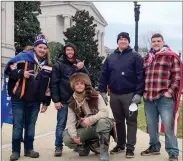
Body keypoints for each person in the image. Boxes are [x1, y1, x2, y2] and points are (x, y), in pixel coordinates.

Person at [4, 34, 52, 161]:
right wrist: (21, 73)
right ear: (35, 47)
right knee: (18, 125)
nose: (42, 50)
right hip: (19, 99)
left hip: (35, 101)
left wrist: (46, 102)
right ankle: (15, 151)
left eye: (44, 48)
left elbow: (48, 86)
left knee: (31, 126)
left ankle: (29, 149)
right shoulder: (22, 57)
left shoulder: (47, 65)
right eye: (40, 47)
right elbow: (9, 69)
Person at [98, 32, 144, 158]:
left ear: (128, 42)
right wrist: (102, 90)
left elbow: (141, 76)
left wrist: (138, 93)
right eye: (120, 39)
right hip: (114, 95)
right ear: (117, 41)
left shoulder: (136, 56)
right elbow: (104, 75)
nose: (123, 41)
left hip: (130, 95)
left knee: (131, 121)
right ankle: (121, 144)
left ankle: (130, 148)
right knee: (118, 121)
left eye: (125, 39)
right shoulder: (111, 57)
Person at [141, 33, 183, 161]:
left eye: (158, 41)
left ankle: (173, 152)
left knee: (168, 126)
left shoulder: (171, 56)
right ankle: (154, 147)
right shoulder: (148, 58)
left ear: (163, 42)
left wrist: (169, 92)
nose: (156, 43)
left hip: (165, 98)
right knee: (152, 125)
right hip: (149, 97)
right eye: (153, 41)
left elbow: (177, 77)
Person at [63, 72, 113, 161]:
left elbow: (105, 112)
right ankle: (86, 144)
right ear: (73, 86)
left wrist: (90, 119)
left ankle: (104, 151)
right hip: (87, 128)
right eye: (77, 84)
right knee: (67, 137)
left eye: (82, 83)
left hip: (100, 126)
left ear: (85, 84)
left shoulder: (96, 95)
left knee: (103, 121)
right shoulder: (71, 102)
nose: (79, 86)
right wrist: (74, 136)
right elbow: (71, 122)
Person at [50, 42, 88, 157]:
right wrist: (56, 100)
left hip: (78, 100)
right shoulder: (59, 65)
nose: (69, 52)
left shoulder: (79, 63)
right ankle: (58, 146)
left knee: (79, 123)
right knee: (61, 123)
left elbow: (86, 79)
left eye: (71, 50)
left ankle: (78, 145)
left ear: (74, 51)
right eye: (67, 50)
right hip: (64, 100)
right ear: (65, 51)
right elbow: (54, 83)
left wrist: (83, 68)